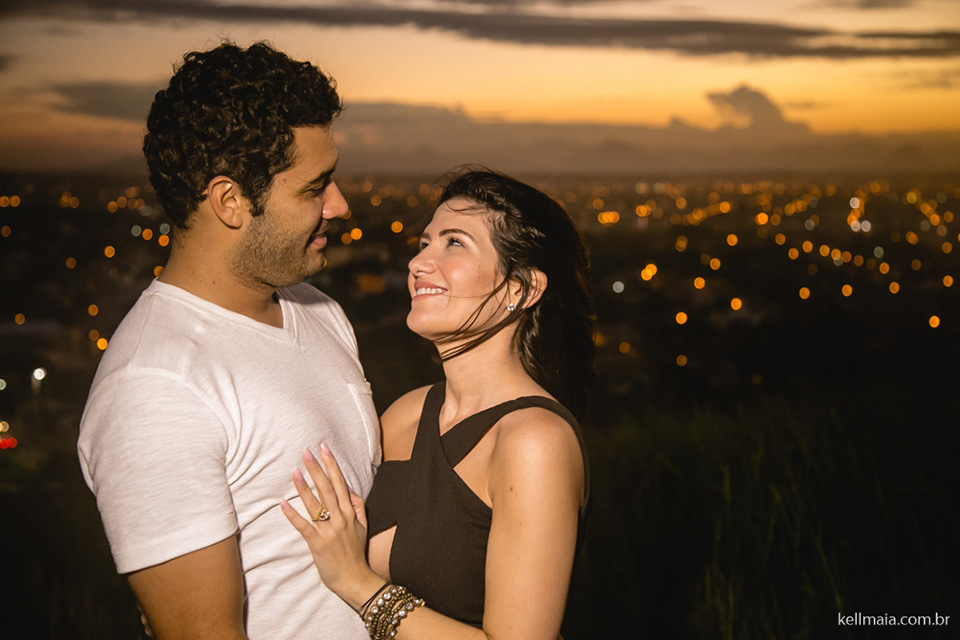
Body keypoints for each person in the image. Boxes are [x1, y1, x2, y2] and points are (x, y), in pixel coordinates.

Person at [77, 42, 379, 639]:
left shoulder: (318, 311)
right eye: (314, 188)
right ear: (231, 201)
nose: (339, 206)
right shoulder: (157, 387)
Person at [282, 169, 596, 639]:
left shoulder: (535, 441)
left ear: (521, 289)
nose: (419, 263)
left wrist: (358, 584)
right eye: (425, 243)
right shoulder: (406, 414)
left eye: (454, 244)